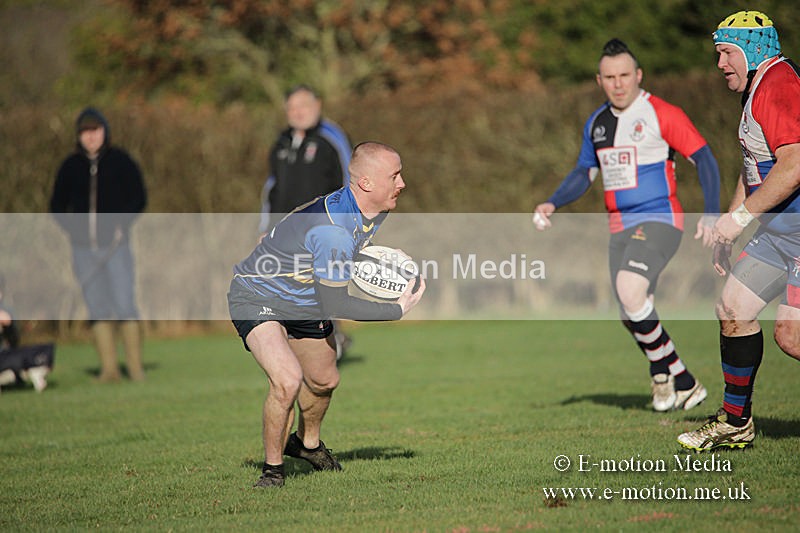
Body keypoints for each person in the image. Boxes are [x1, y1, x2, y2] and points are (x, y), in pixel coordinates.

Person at [533, 38, 721, 412]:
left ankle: (680, 378)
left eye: (624, 75)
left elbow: (704, 159)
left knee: (630, 291)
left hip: (659, 219)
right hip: (619, 228)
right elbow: (585, 173)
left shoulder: (661, 112)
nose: (618, 84)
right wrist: (553, 201)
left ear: (638, 75)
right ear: (599, 80)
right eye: (609, 77)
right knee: (629, 311)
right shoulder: (597, 124)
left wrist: (712, 211)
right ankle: (666, 373)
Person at [228, 142, 425, 488]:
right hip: (256, 293)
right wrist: (394, 310)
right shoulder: (333, 229)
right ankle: (272, 471)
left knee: (324, 381)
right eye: (394, 176)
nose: (402, 183)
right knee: (287, 380)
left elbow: (332, 252)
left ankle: (307, 445)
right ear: (365, 183)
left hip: (304, 297)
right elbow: (336, 302)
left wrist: (376, 258)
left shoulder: (375, 209)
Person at [678, 11, 800, 451]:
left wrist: (739, 219)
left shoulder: (779, 85)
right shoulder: (758, 88)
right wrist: (731, 224)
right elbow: (755, 167)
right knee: (733, 308)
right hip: (778, 235)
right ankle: (735, 423)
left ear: (752, 51)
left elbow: (793, 166)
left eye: (727, 53)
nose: (720, 64)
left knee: (791, 336)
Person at [50, 107, 147, 382]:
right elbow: (56, 205)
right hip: (82, 248)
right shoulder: (69, 167)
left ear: (105, 132)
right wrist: (73, 230)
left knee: (125, 303)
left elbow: (139, 197)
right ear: (78, 136)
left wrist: (122, 224)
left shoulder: (121, 161)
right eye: (85, 132)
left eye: (95, 131)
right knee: (96, 305)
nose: (90, 137)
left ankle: (136, 369)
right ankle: (109, 370)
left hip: (116, 247)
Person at [259, 84, 354, 361]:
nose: (297, 112)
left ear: (318, 105)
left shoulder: (331, 138)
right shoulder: (281, 143)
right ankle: (312, 346)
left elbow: (350, 182)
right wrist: (264, 228)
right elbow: (271, 188)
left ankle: (328, 346)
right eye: (292, 107)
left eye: (303, 106)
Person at [0, 273, 55, 393]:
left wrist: (9, 327)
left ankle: (19, 373)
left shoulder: (6, 310)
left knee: (44, 350)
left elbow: (14, 342)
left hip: (4, 355)